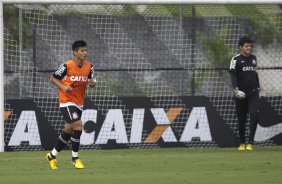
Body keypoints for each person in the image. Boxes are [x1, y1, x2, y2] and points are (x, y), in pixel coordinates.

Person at [46, 40, 96, 169]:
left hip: (79, 102)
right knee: (79, 126)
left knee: (68, 131)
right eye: (82, 50)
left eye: (86, 50)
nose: (85, 53)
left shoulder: (89, 66)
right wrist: (63, 87)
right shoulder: (67, 65)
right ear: (75, 52)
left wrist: (92, 84)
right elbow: (53, 78)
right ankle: (75, 159)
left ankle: (52, 156)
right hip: (66, 101)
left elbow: (93, 81)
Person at [229, 36, 260, 151]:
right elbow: (233, 76)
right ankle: (242, 143)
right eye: (246, 46)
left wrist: (258, 87)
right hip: (240, 94)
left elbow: (254, 74)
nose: (249, 48)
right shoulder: (235, 59)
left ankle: (250, 143)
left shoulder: (253, 58)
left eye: (250, 46)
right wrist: (236, 90)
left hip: (253, 92)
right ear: (241, 47)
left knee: (254, 115)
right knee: (241, 119)